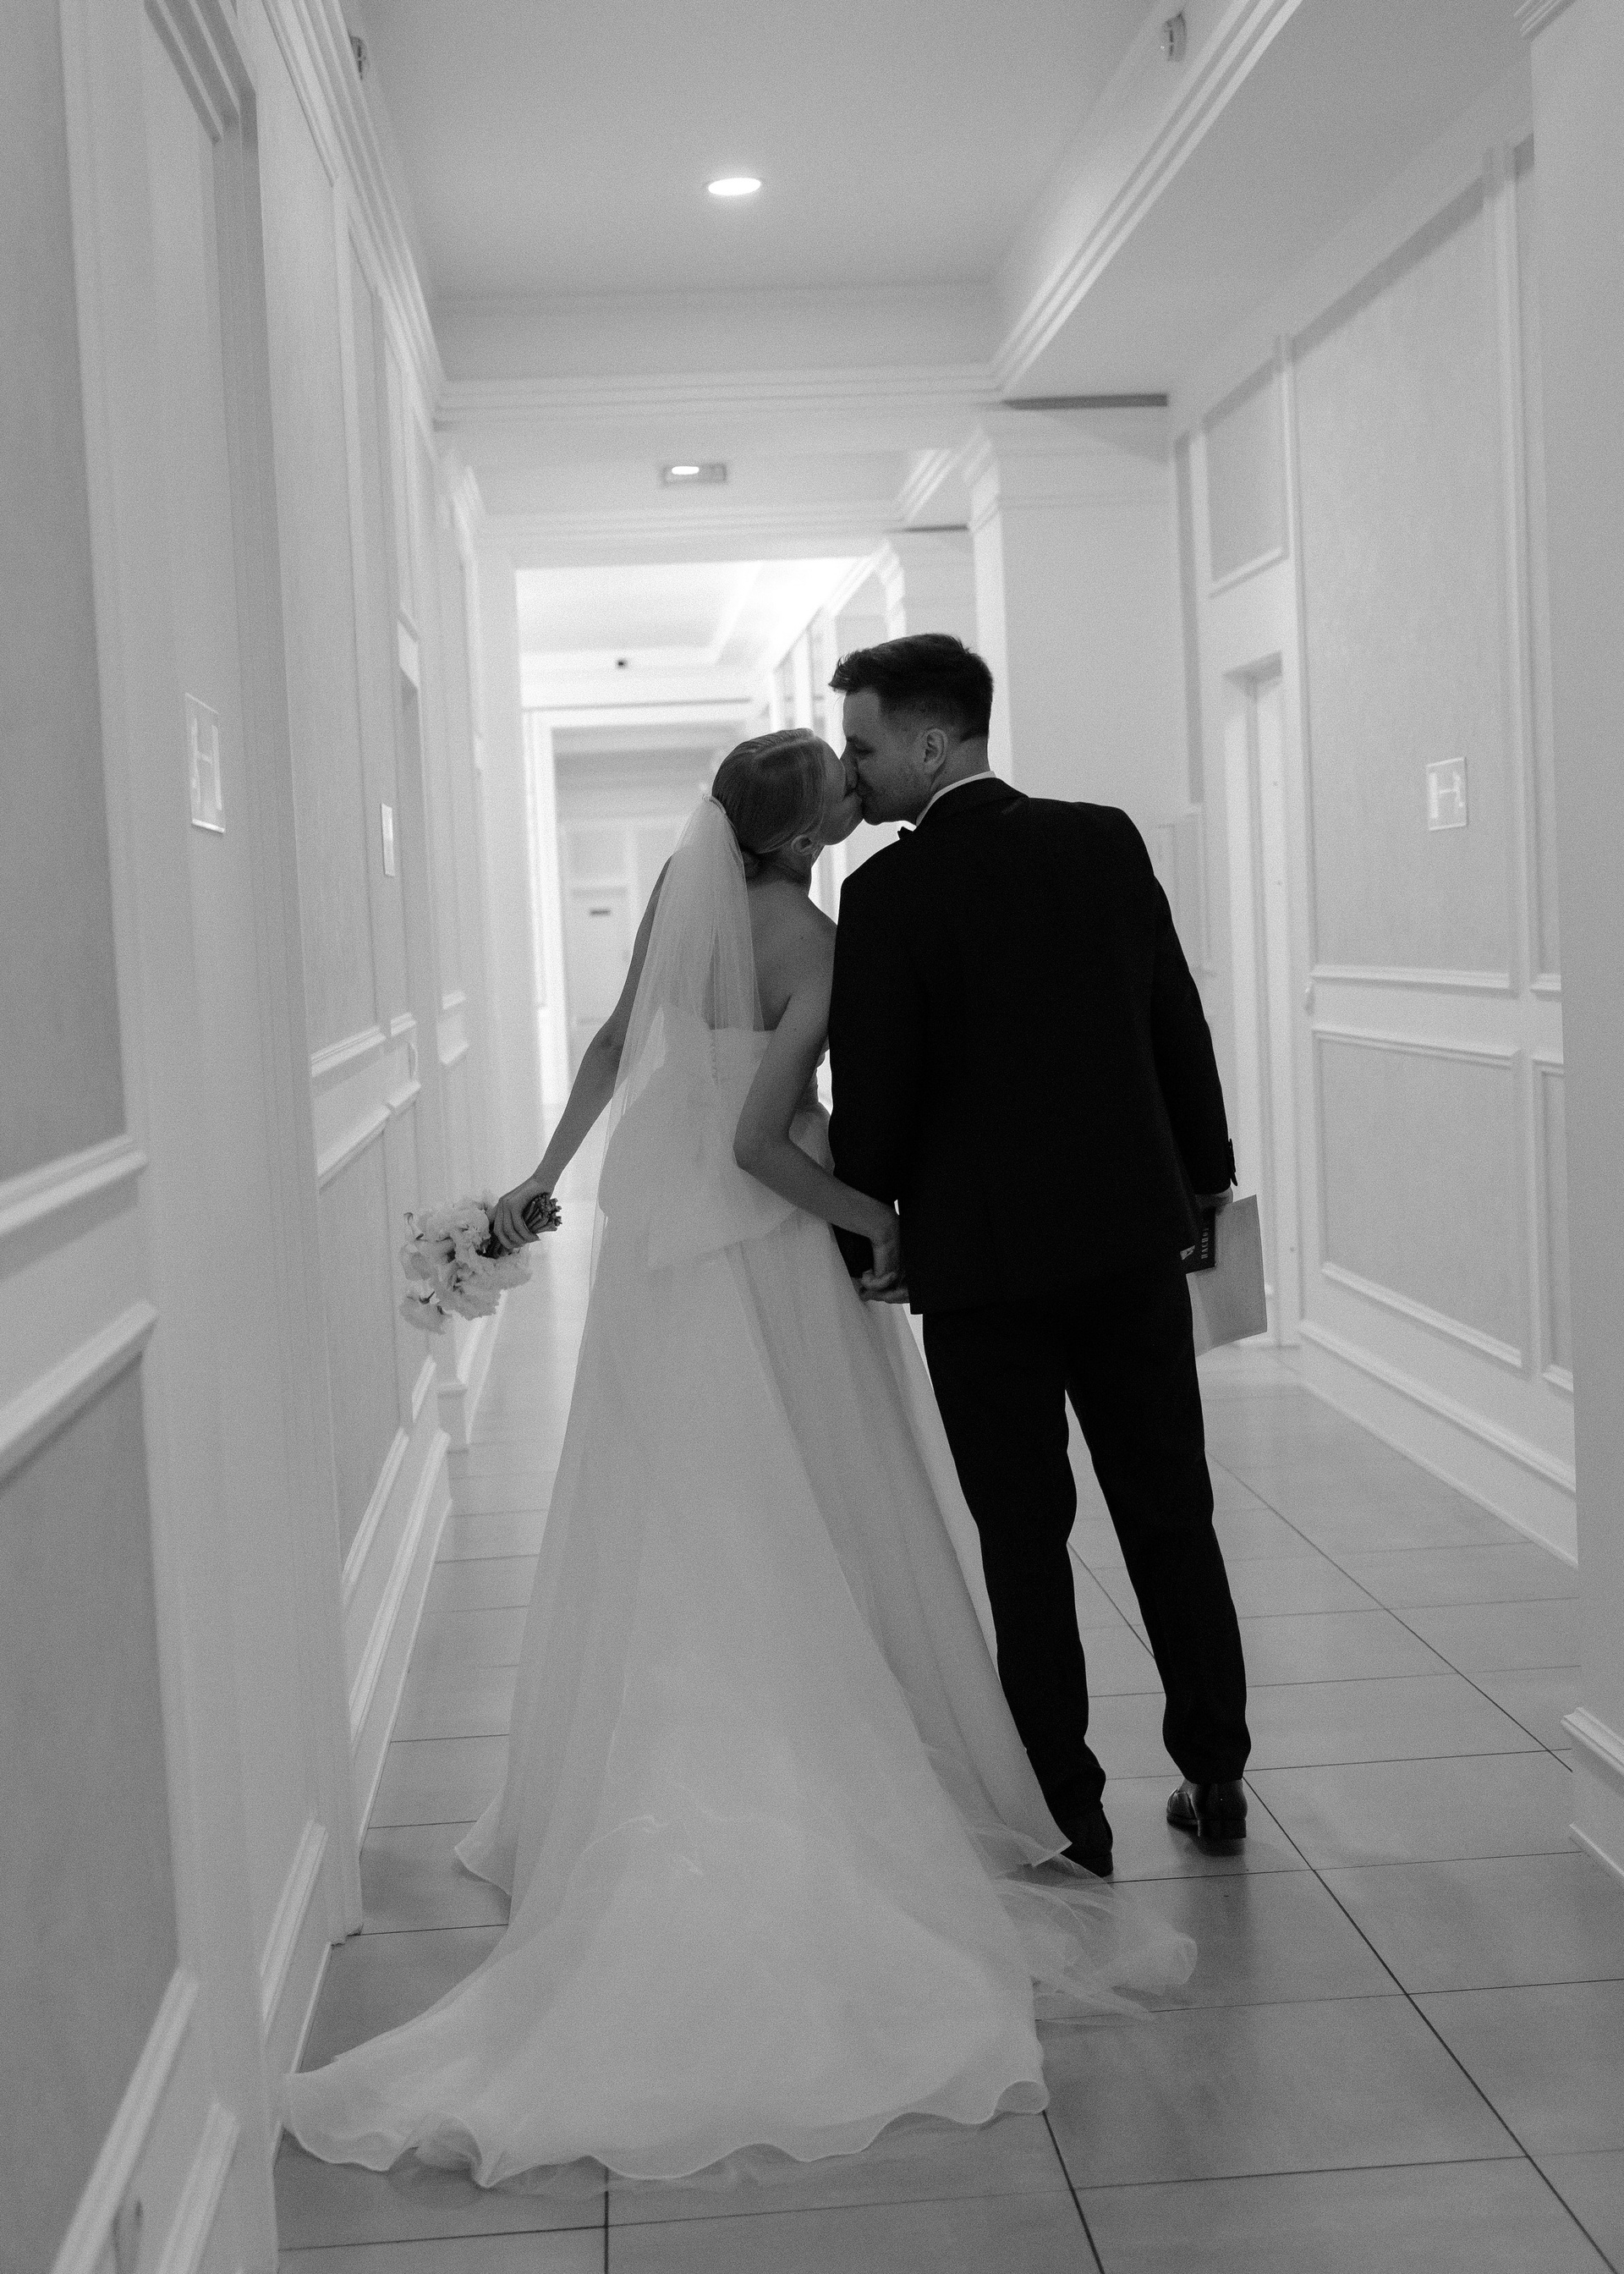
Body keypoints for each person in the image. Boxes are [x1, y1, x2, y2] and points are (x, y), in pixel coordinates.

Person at [282, 728, 1191, 2192]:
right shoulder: (819, 941)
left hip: (657, 1246)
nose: (857, 791)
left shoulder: (677, 900)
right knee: (806, 1500)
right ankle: (805, 1762)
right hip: (761, 1238)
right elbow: (767, 1146)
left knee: (678, 1503)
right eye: (840, 785)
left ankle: (638, 1762)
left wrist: (535, 1185)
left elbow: (607, 1048)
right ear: (806, 833)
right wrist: (881, 1221)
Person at [827, 634, 1251, 1877]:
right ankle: (1216, 1771)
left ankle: (1071, 1814)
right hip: (1129, 1239)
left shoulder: (887, 896)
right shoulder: (1103, 840)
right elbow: (1174, 1016)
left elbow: (879, 1095)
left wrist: (866, 1227)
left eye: (864, 747)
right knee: (1171, 1510)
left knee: (1024, 1540)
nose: (852, 774)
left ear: (930, 743)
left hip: (982, 1267)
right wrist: (1206, 1177)